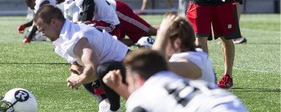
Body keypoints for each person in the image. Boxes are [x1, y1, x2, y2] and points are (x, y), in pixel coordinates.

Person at [33, 4, 129, 112]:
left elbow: (93, 68)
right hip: (114, 66)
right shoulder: (66, 34)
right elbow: (77, 61)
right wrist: (74, 73)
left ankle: (114, 109)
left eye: (43, 29)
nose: (42, 34)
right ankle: (104, 102)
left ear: (54, 22)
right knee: (83, 70)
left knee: (102, 70)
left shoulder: (75, 38)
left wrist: (78, 80)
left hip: (130, 67)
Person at [103, 49, 248, 112]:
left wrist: (121, 90)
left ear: (138, 79)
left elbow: (141, 103)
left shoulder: (144, 95)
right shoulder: (177, 80)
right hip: (233, 105)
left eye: (129, 81)